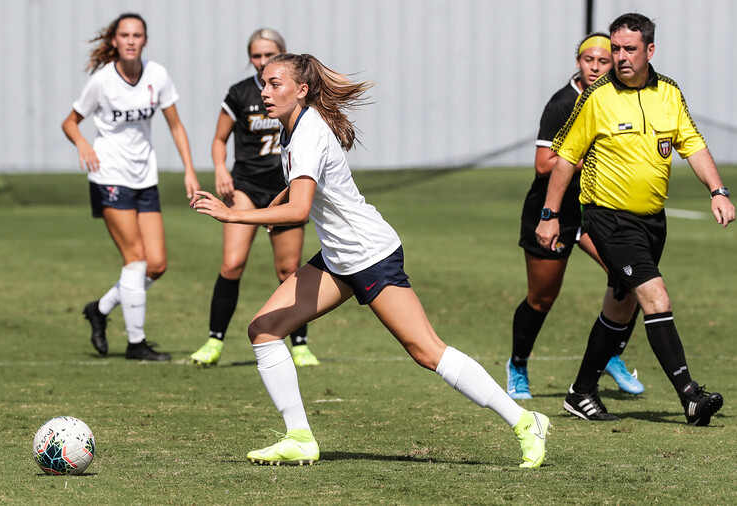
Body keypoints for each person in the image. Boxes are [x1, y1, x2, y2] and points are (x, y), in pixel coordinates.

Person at [191, 53, 549, 467]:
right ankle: (300, 438)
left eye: (275, 84)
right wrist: (274, 200)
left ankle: (526, 422)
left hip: (370, 255)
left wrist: (235, 213)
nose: (264, 93)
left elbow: (299, 210)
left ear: (301, 90)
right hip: (339, 258)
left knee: (427, 351)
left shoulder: (307, 132)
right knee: (265, 329)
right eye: (263, 84)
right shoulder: (294, 129)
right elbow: (299, 189)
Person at [536, 13, 734, 425]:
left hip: (652, 222)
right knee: (655, 298)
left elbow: (692, 144)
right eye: (615, 49)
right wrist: (550, 215)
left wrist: (717, 190)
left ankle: (581, 392)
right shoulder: (596, 98)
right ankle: (690, 396)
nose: (620, 57)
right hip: (608, 219)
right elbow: (565, 159)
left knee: (620, 309)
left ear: (650, 50)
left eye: (629, 49)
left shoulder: (669, 93)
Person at [508, 33, 644, 399]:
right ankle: (518, 365)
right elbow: (542, 165)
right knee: (542, 298)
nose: (597, 67)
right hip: (554, 212)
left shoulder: (615, 99)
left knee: (630, 281)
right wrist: (587, 154)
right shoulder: (562, 102)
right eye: (590, 60)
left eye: (604, 61)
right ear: (579, 61)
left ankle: (611, 357)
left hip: (596, 212)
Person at [62, 12, 201, 361]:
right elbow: (71, 122)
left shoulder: (157, 76)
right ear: (114, 41)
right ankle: (136, 344)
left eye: (137, 35)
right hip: (109, 176)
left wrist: (189, 170)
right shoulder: (102, 81)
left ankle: (100, 309)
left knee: (156, 265)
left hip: (145, 178)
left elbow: (176, 126)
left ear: (145, 41)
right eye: (124, 35)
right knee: (136, 260)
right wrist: (82, 143)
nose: (130, 40)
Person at [189, 29, 319, 368]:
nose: (262, 61)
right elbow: (219, 139)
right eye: (256, 56)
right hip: (245, 187)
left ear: (284, 55)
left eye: (269, 55)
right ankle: (214, 341)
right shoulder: (241, 93)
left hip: (286, 189)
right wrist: (220, 169)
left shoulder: (294, 96)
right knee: (232, 263)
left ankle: (301, 344)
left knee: (288, 268)